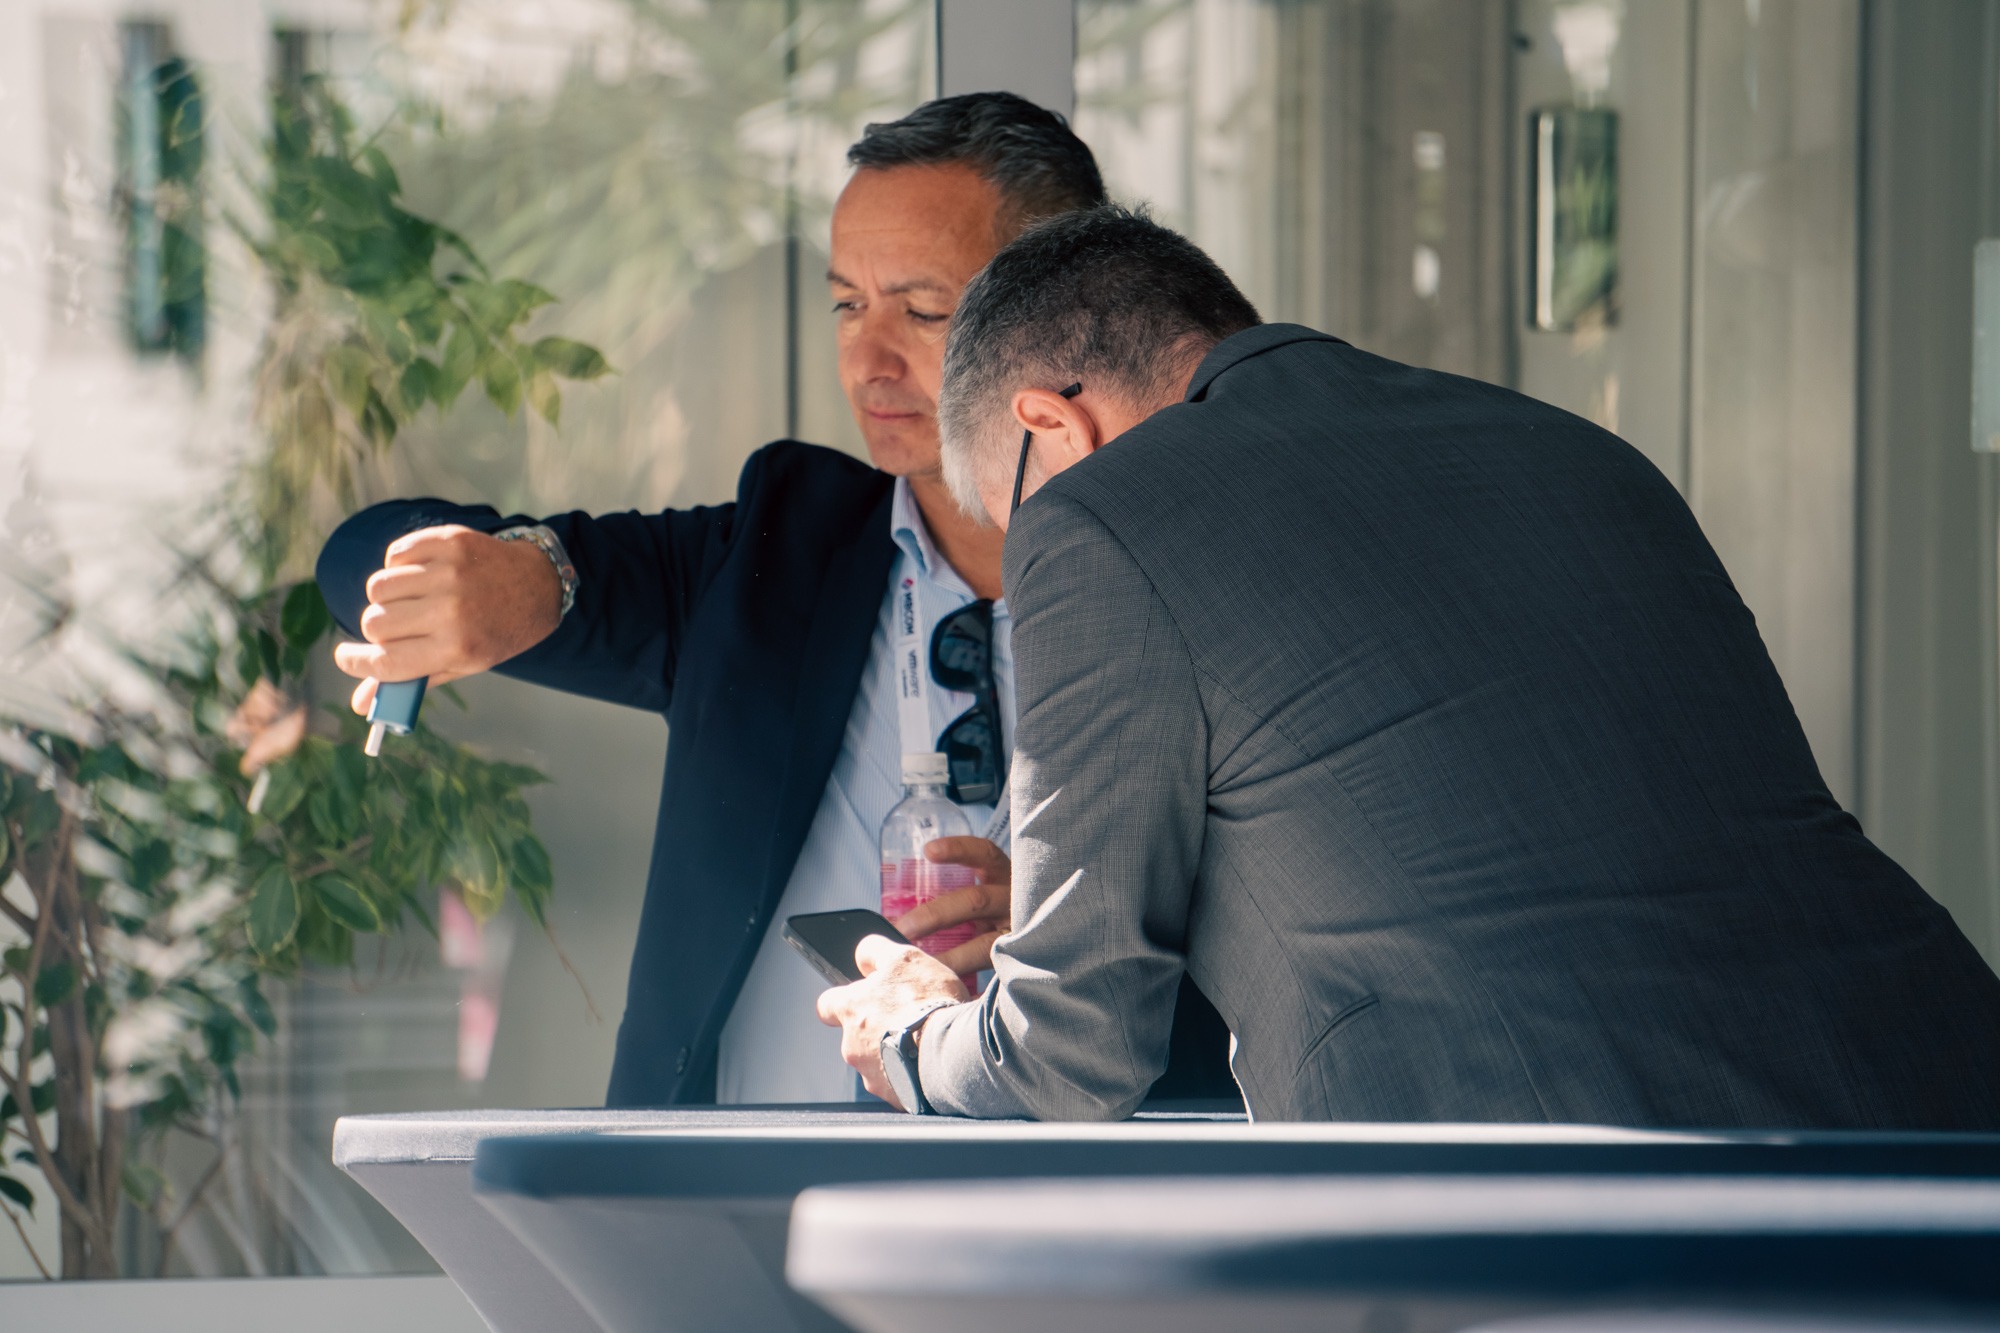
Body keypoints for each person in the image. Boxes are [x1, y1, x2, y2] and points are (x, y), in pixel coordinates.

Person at [819, 205, 2000, 1127]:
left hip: (1575, 1198)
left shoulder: (1098, 518)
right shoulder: (1572, 449)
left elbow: (1064, 1054)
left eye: (1012, 516)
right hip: (1933, 1101)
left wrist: (912, 1034)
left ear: (1050, 424)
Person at [315, 97, 1235, 1108]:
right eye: (847, 305)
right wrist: (526, 570)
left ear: (1066, 313)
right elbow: (356, 555)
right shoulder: (773, 560)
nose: (869, 358)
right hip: (744, 1189)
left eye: (923, 311)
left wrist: (1094, 945)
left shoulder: (1207, 593)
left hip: (1086, 1180)